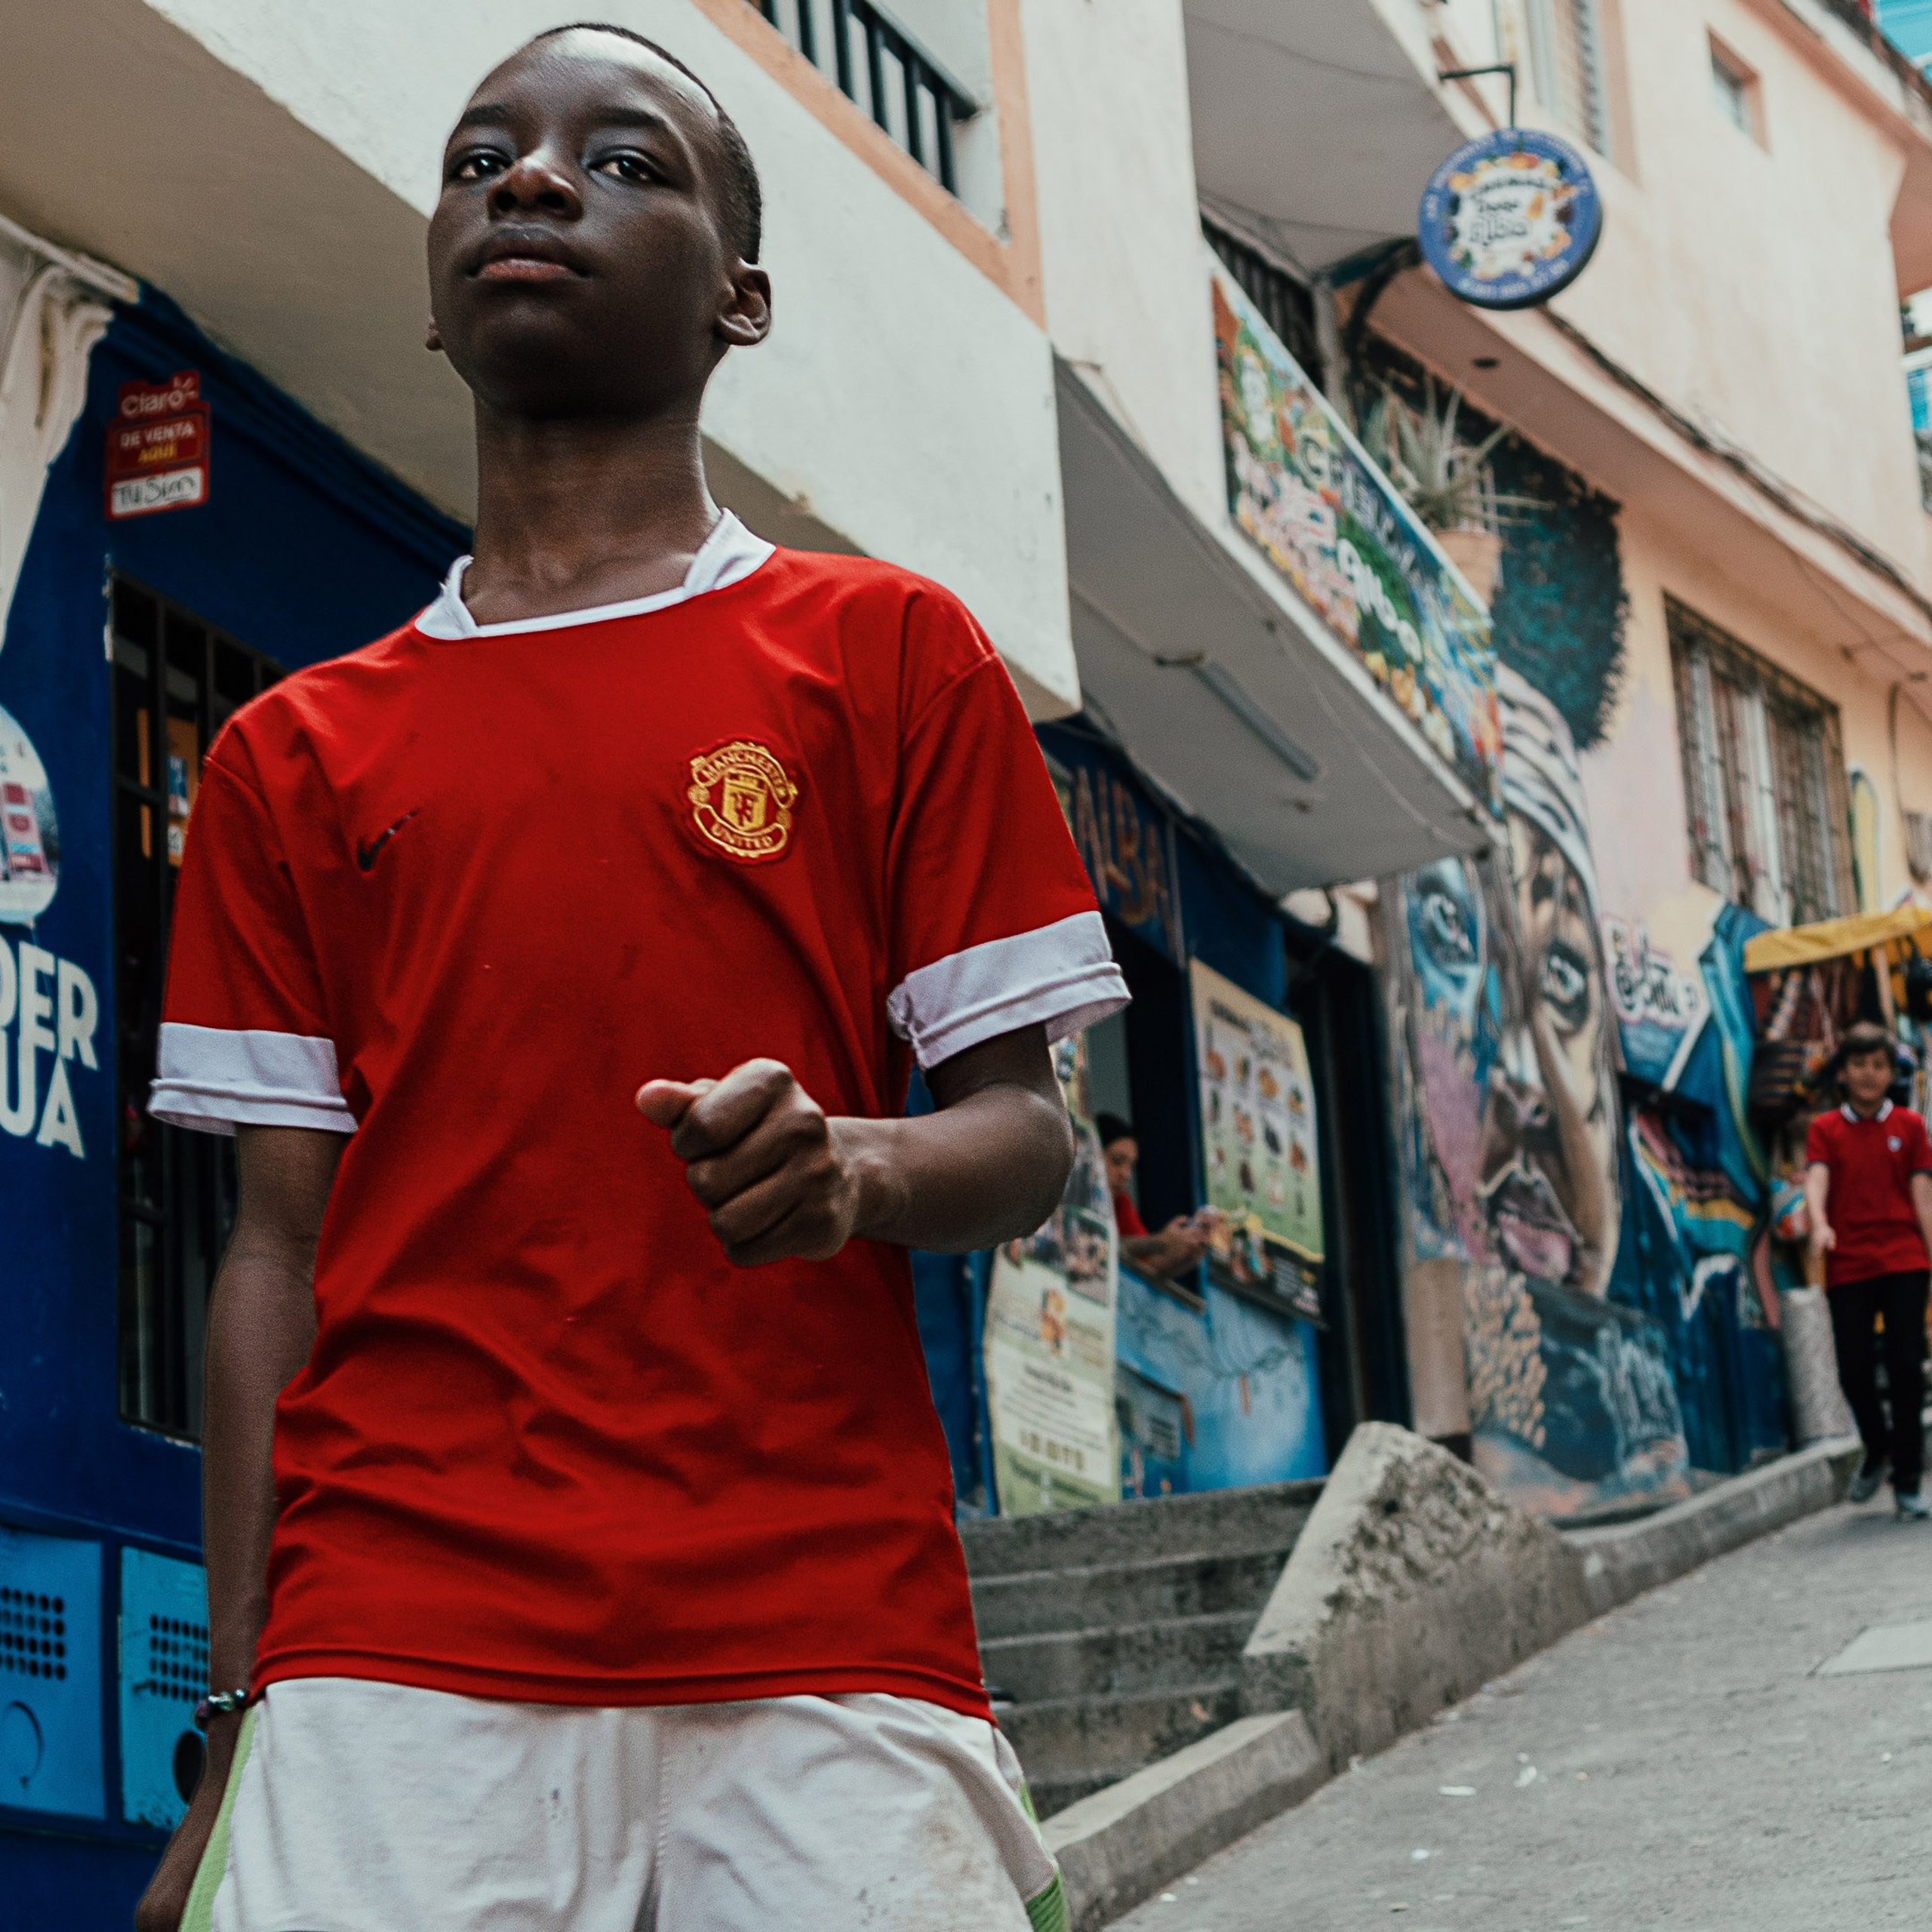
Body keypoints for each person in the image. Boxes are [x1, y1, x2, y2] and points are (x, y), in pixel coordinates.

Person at [134, 26, 1129, 1932]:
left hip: (820, 1617)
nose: (529, 181)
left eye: (624, 162)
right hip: (392, 1641)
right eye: (480, 157)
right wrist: (233, 1729)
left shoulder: (891, 656)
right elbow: (272, 1253)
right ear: (431, 291)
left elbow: (1026, 1139)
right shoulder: (288, 754)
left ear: (739, 300)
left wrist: (853, 1165)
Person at [1804, 1021, 1932, 1521]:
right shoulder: (1825, 1129)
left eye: (1878, 1065)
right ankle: (1876, 1449)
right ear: (1844, 1072)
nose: (1868, 1074)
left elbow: (1923, 1198)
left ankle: (1906, 1481)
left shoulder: (1911, 1128)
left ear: (1889, 1072)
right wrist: (1819, 1224)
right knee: (1854, 1371)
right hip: (1849, 1262)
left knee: (1905, 1370)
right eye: (1859, 1064)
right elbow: (1817, 1180)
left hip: (1904, 1258)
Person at [1097, 1112, 1212, 1281]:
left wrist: (1186, 1257)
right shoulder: (1069, 1190)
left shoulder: (1121, 1203)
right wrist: (1161, 1242)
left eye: (1131, 1166)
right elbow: (1099, 1246)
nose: (1126, 1174)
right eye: (1117, 1161)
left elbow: (1145, 1267)